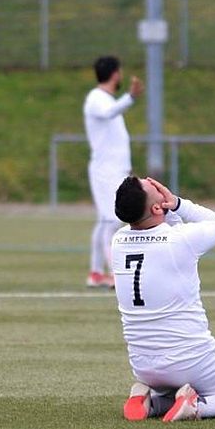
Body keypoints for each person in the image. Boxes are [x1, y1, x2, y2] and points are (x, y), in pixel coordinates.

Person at [111, 176, 215, 422]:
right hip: (188, 356)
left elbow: (162, 230)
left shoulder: (118, 240)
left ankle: (154, 403)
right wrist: (178, 203)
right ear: (156, 207)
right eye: (154, 187)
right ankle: (197, 406)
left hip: (142, 364)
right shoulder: (180, 240)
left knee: (184, 381)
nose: (158, 185)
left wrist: (165, 208)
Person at [83, 56, 144, 288]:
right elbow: (109, 113)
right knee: (111, 220)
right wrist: (131, 97)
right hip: (104, 171)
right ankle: (115, 275)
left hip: (115, 170)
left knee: (105, 221)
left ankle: (96, 273)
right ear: (115, 74)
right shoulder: (96, 99)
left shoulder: (105, 99)